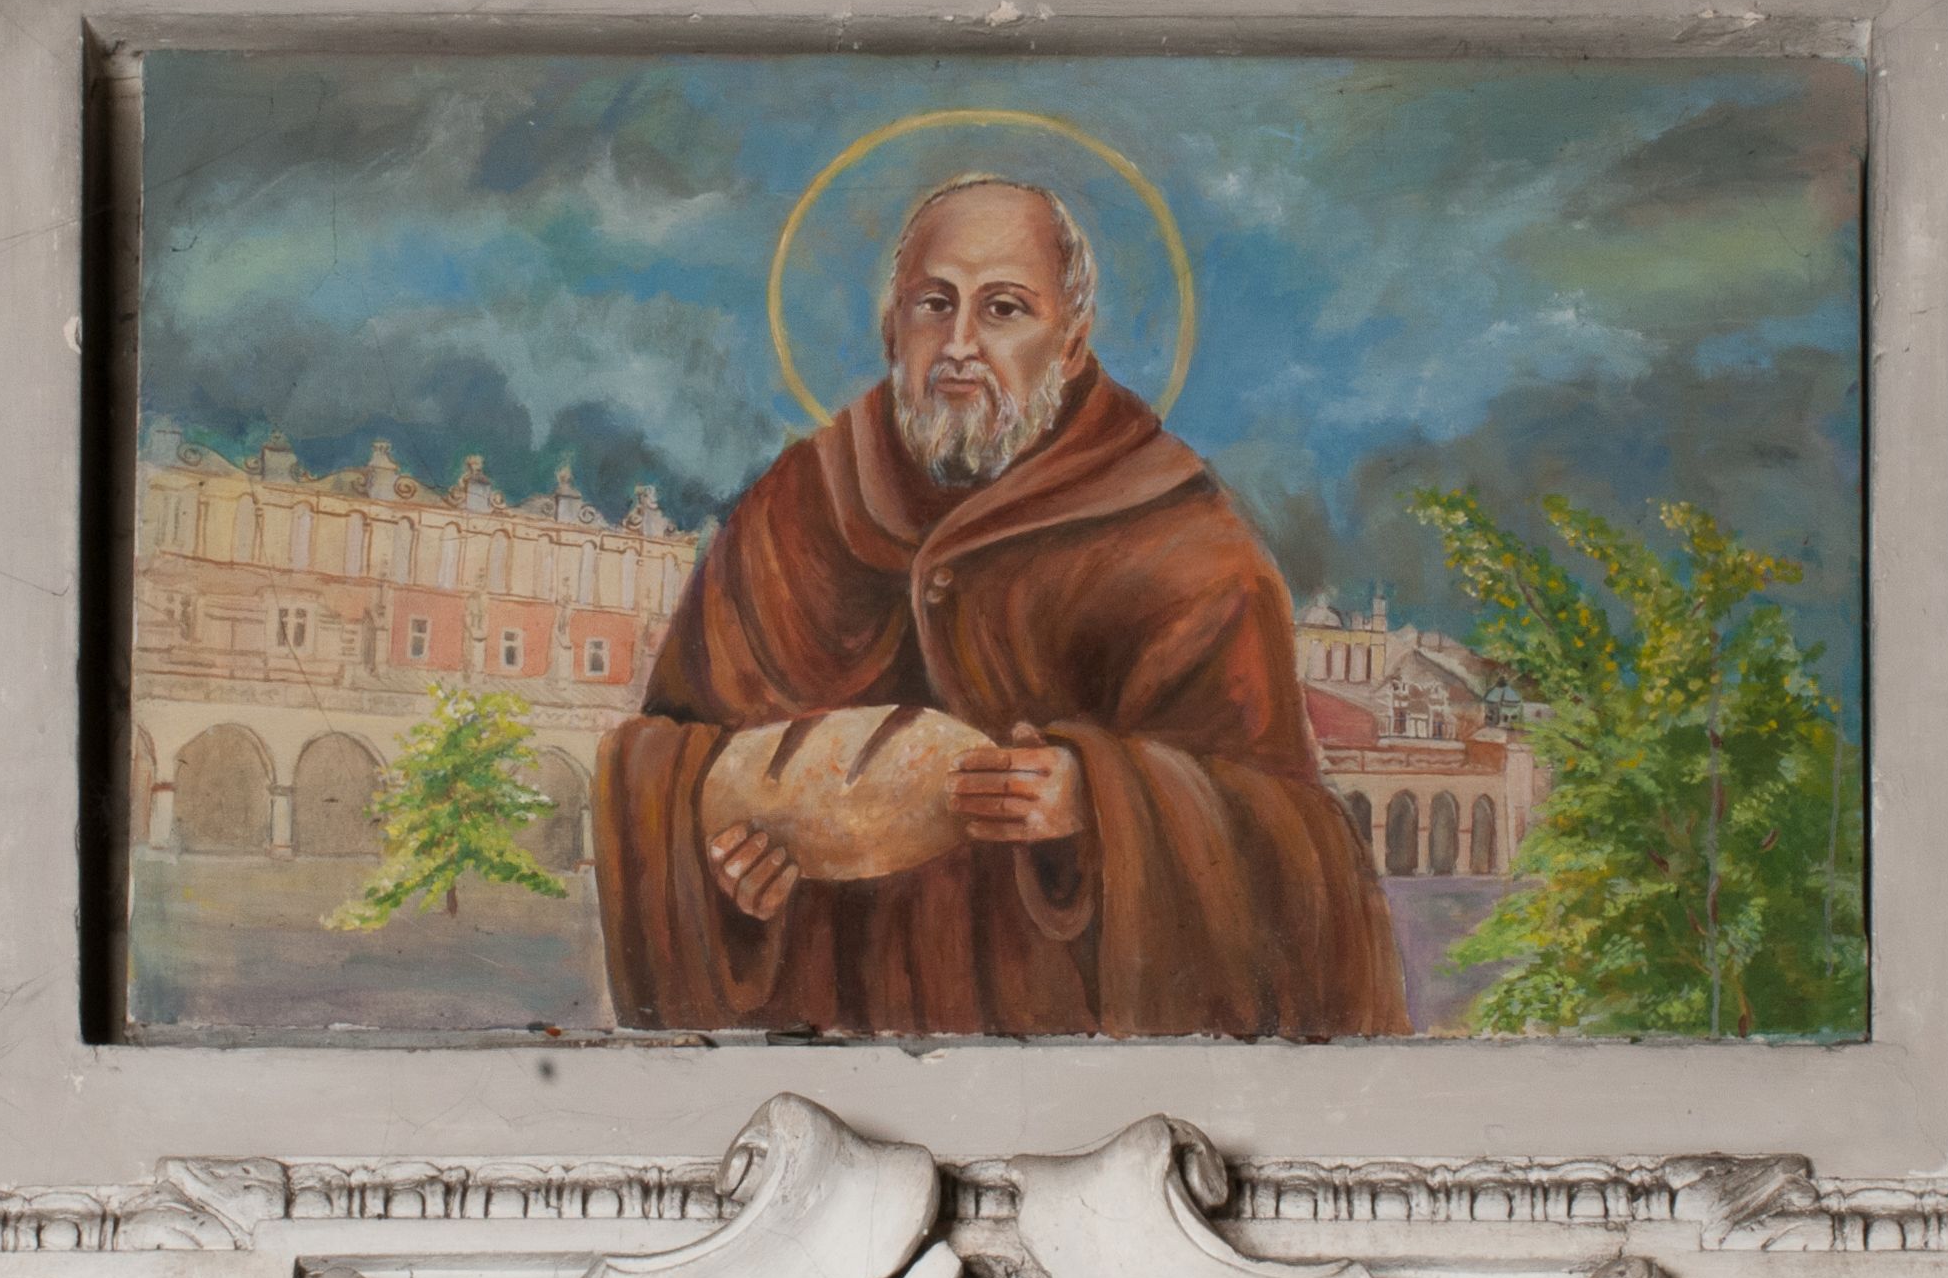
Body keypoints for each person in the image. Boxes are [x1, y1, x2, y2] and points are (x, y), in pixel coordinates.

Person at [592, 174, 1409, 1037]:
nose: (959, 346)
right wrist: (725, 871)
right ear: (892, 328)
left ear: (1072, 342)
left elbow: (1295, 855)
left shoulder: (1183, 544)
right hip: (841, 1049)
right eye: (934, 305)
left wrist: (1101, 802)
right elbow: (669, 762)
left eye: (1004, 309)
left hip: (1061, 1059)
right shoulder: (797, 510)